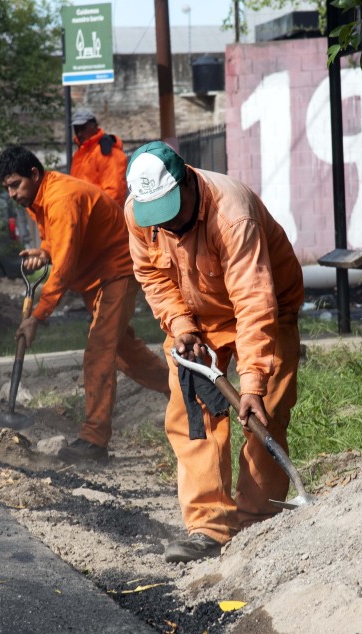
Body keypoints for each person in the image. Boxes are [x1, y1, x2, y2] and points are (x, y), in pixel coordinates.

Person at [123, 141, 305, 563]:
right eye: (156, 217)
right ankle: (208, 527)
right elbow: (151, 274)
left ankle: (259, 521)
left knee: (265, 412)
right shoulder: (139, 212)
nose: (165, 224)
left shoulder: (232, 215)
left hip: (267, 311)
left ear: (187, 181)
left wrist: (252, 384)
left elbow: (255, 302)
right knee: (193, 416)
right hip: (196, 318)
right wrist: (181, 325)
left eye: (171, 211)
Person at [0, 145, 170, 463]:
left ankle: (94, 441)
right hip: (96, 275)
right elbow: (58, 241)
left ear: (34, 174)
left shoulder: (62, 198)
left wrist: (37, 316)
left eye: (15, 185)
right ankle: (183, 390)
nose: (12, 194)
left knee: (99, 350)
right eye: (7, 188)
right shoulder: (39, 198)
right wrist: (44, 252)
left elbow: (63, 268)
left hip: (116, 269)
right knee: (123, 351)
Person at [70, 109, 128, 208]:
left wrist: (99, 215)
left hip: (99, 214)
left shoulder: (106, 151)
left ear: (94, 126)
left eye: (83, 128)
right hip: (83, 212)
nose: (79, 133)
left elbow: (114, 192)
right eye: (76, 129)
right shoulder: (79, 153)